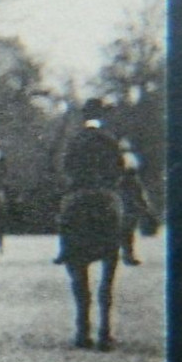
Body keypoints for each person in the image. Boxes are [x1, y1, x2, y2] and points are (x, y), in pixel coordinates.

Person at [53, 99, 124, 265]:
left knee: (65, 212)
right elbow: (119, 166)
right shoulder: (109, 139)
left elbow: (67, 165)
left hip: (80, 189)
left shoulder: (76, 139)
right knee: (122, 214)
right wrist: (111, 182)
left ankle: (64, 250)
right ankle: (126, 249)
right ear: (102, 116)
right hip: (105, 189)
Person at [116, 136, 154, 266]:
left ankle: (125, 254)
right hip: (128, 196)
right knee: (128, 229)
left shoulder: (117, 161)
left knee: (126, 228)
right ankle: (127, 254)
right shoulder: (131, 160)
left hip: (123, 194)